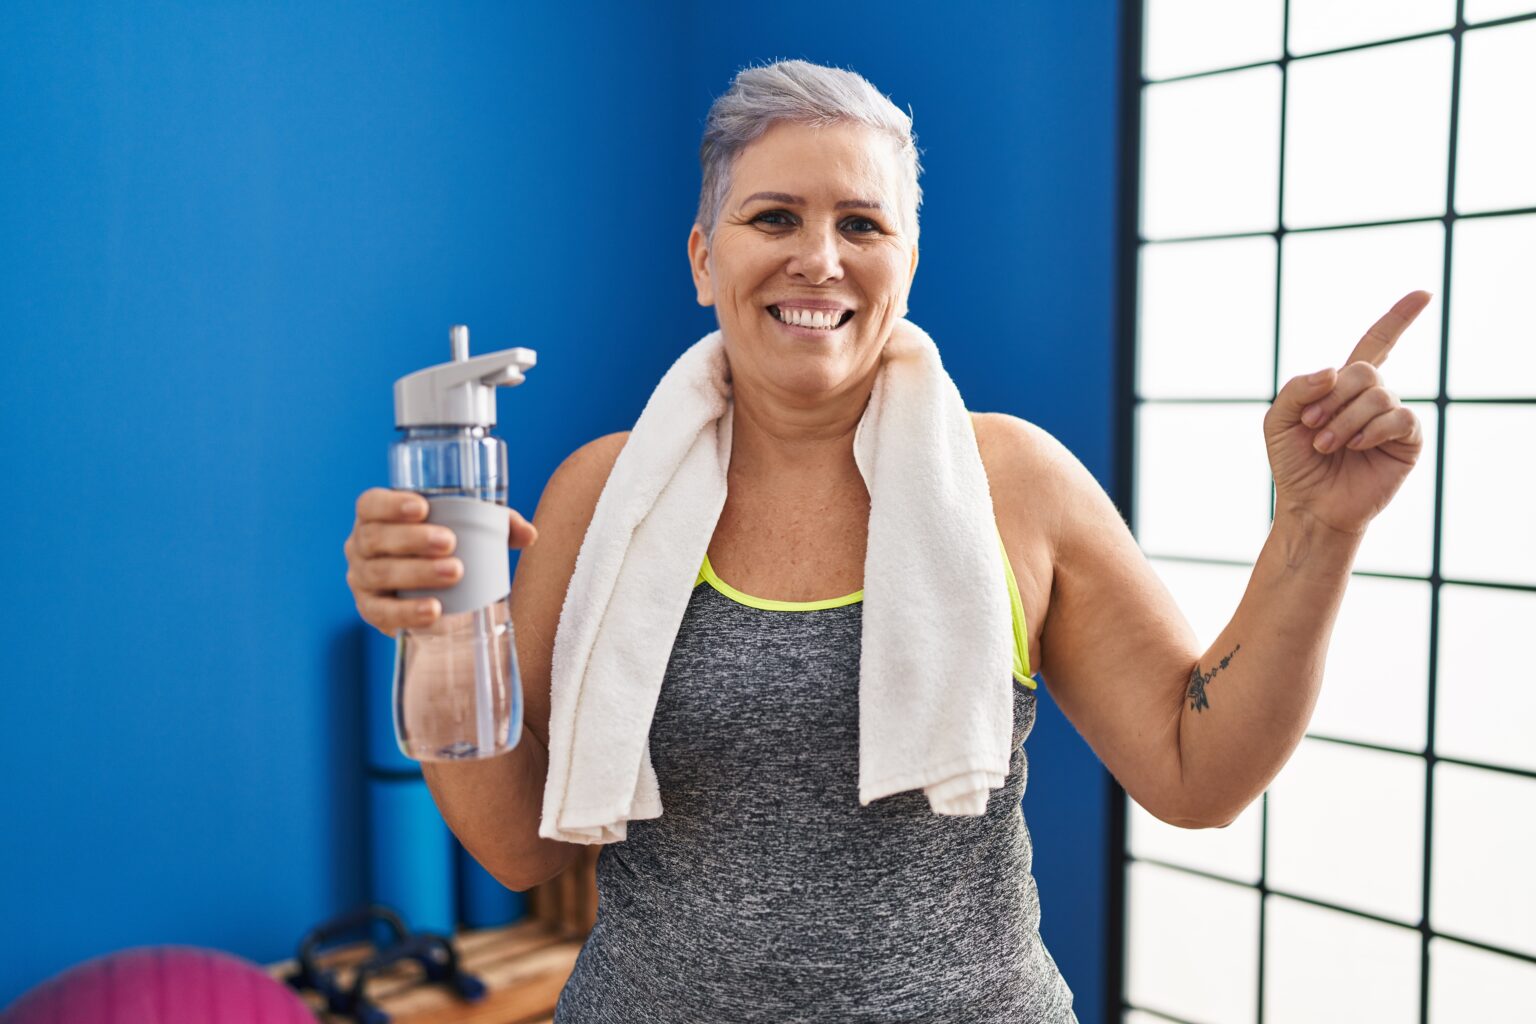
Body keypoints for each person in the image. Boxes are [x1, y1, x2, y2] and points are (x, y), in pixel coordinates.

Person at [342, 59, 1427, 1023]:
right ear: (701, 256)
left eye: (861, 225)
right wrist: (436, 631)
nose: (819, 259)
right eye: (774, 218)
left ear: (906, 260)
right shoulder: (603, 493)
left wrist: (1316, 527)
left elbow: (1199, 773)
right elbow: (516, 847)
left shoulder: (1013, 482)